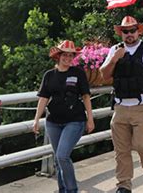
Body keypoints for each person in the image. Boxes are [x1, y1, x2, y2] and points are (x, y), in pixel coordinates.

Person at [100, 16, 143, 193]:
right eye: (125, 31)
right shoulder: (115, 50)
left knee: (142, 145)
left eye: (132, 30)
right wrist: (114, 59)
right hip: (120, 107)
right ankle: (124, 185)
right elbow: (104, 75)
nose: (129, 34)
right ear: (121, 33)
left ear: (139, 31)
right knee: (121, 150)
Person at [33, 40, 95, 193]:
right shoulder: (49, 75)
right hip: (53, 122)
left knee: (62, 156)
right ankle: (63, 189)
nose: (67, 58)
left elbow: (86, 96)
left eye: (70, 55)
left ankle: (72, 189)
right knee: (57, 158)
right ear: (58, 56)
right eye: (64, 55)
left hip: (75, 120)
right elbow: (43, 98)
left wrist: (90, 119)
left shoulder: (78, 73)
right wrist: (36, 120)